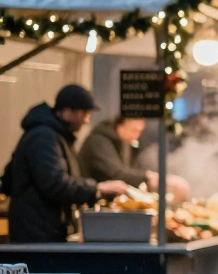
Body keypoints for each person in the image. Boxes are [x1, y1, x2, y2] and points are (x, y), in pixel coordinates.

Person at [2, 85, 129, 243]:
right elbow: (55, 184)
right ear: (67, 111)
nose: (87, 120)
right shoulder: (44, 138)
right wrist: (96, 189)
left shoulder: (55, 136)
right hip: (38, 235)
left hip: (42, 230)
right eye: (84, 113)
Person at [78, 115, 191, 200]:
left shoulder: (126, 144)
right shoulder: (99, 141)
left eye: (139, 132)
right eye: (134, 130)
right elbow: (116, 173)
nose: (136, 136)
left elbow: (133, 169)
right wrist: (148, 177)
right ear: (120, 124)